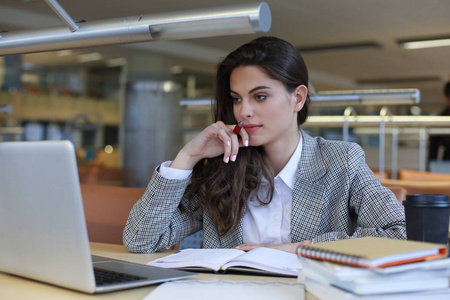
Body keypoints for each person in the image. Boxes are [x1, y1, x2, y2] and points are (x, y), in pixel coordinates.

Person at [123, 36, 406, 254]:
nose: (243, 111)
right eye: (236, 98)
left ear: (297, 98)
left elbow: (402, 234)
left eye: (259, 97)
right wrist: (188, 156)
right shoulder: (223, 170)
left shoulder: (341, 161)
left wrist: (292, 250)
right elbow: (141, 241)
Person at [428, 81, 450, 162]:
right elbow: (433, 149)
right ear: (447, 98)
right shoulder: (440, 120)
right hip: (447, 164)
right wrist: (430, 172)